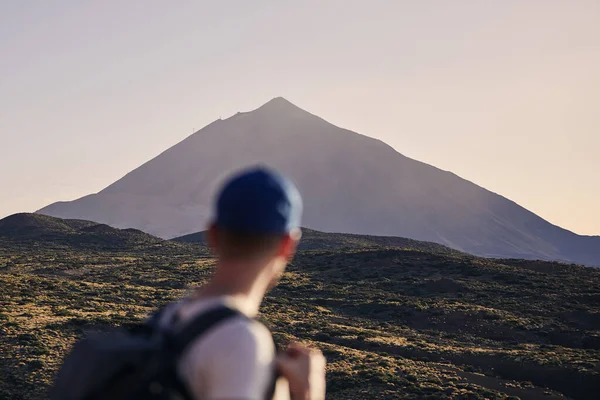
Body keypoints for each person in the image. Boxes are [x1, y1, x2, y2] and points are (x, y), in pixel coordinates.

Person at [158, 166, 326, 400]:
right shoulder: (240, 341)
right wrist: (309, 395)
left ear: (212, 235)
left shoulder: (167, 319)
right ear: (288, 245)